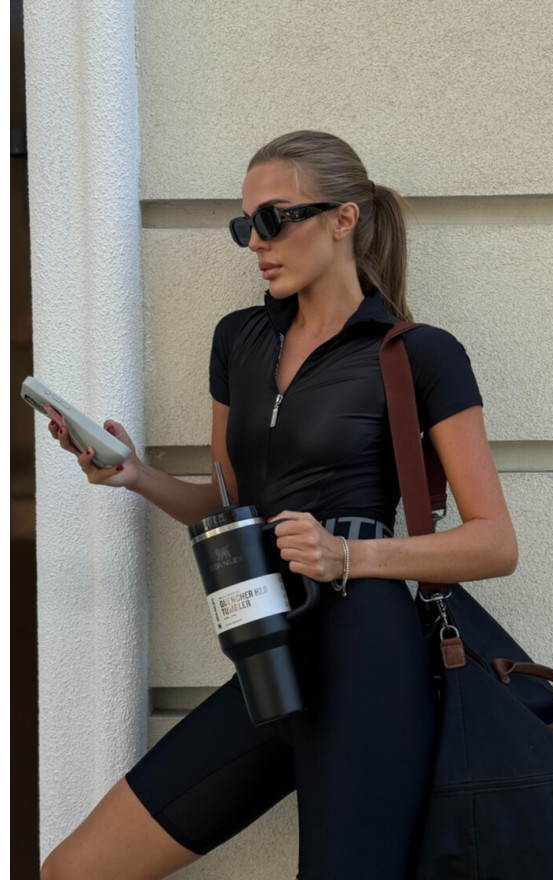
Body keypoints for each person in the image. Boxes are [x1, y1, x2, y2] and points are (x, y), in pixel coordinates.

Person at [41, 130, 518, 880]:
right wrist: (134, 475)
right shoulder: (239, 341)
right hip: (265, 652)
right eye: (246, 225)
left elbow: (494, 543)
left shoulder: (418, 354)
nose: (256, 242)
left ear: (344, 218)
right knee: (76, 869)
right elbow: (227, 504)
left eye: (274, 218)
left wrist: (347, 554)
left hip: (368, 655)